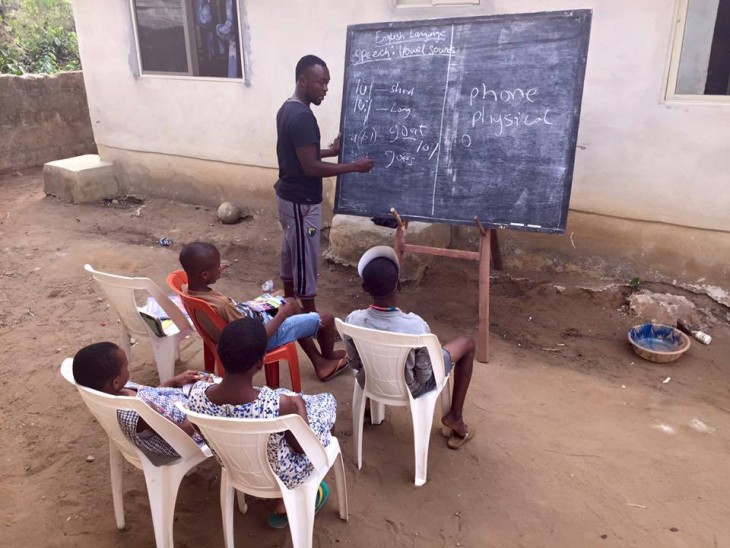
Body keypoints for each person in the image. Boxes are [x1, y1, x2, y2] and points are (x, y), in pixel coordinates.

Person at [188, 318, 336, 528]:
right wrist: (299, 405)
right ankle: (309, 487)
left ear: (220, 353)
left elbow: (204, 436)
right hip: (281, 476)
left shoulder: (196, 396)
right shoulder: (278, 405)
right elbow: (301, 447)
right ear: (260, 362)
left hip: (236, 467)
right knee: (327, 401)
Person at [343, 246, 477, 449]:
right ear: (398, 285)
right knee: (467, 344)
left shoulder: (353, 320)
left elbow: (354, 363)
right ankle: (455, 417)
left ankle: (370, 406)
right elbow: (423, 376)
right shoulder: (415, 326)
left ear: (364, 287)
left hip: (371, 381)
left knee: (375, 358)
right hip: (410, 387)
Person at [275, 54, 375, 313]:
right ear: (303, 81)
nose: (326, 89)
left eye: (328, 83)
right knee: (306, 260)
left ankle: (287, 305)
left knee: (291, 251)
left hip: (289, 199)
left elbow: (301, 155)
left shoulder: (288, 108)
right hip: (301, 204)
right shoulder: (303, 118)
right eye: (321, 82)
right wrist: (354, 167)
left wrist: (331, 151)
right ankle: (307, 318)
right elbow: (310, 167)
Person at [179, 241, 348, 382]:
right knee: (326, 319)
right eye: (218, 266)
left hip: (246, 320)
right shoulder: (222, 306)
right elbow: (253, 338)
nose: (221, 267)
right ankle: (327, 357)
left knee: (290, 303)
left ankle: (320, 362)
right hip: (262, 337)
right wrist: (281, 316)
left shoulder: (188, 289)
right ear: (205, 275)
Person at [72, 342, 212, 464]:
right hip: (190, 433)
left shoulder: (116, 391)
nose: (128, 369)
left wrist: (173, 381)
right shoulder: (138, 414)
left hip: (178, 407)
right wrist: (204, 402)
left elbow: (150, 396)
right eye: (126, 367)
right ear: (115, 382)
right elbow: (183, 431)